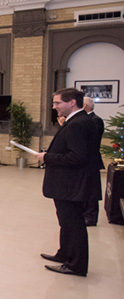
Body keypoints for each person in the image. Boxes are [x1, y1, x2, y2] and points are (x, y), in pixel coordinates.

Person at [34, 88, 101, 277]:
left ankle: (76, 264)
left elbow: (77, 157)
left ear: (72, 102)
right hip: (69, 183)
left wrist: (48, 157)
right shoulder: (77, 121)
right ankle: (65, 254)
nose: (54, 106)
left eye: (57, 103)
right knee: (66, 221)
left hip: (72, 183)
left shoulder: (78, 124)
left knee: (73, 223)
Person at [81, 97, 105, 227]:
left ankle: (90, 217)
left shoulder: (95, 120)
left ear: (84, 106)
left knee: (91, 189)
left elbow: (92, 140)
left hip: (91, 160)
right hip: (83, 160)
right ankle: (83, 213)